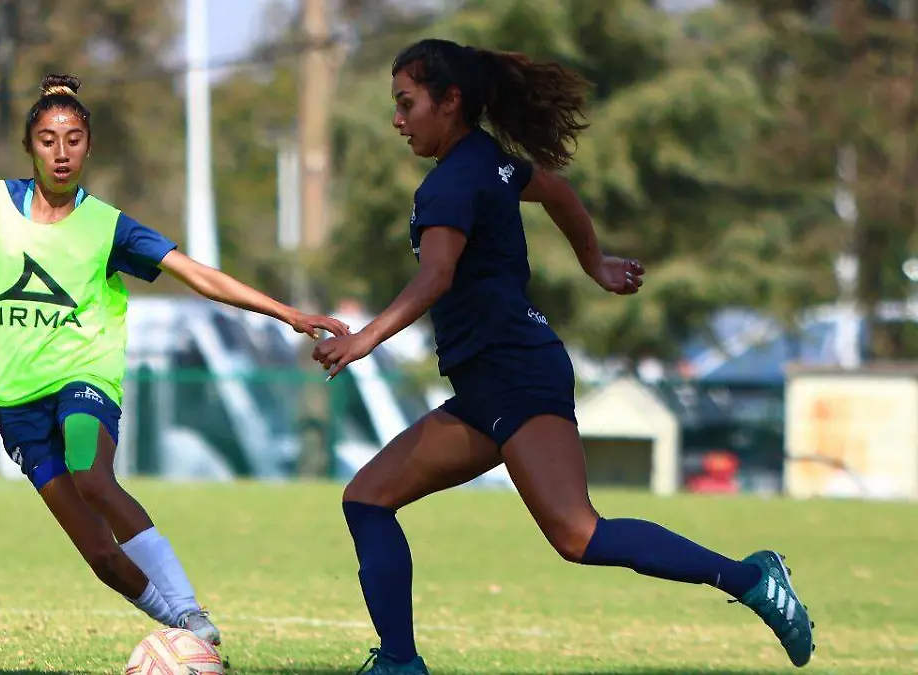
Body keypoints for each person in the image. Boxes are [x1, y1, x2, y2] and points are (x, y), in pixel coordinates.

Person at [311, 39, 815, 674]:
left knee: (579, 534)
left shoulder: (449, 185)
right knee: (367, 498)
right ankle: (399, 664)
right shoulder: (488, 162)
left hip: (513, 374)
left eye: (407, 103)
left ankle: (749, 578)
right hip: (491, 384)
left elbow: (436, 277)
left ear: (450, 101)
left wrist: (363, 340)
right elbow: (556, 191)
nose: (398, 119)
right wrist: (594, 264)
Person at [0, 73, 350, 647]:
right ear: (28, 145)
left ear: (89, 144)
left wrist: (287, 313)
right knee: (101, 558)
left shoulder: (109, 226)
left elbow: (200, 276)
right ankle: (190, 640)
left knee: (91, 473)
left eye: (73, 139)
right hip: (16, 403)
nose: (61, 153)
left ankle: (189, 611)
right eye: (47, 139)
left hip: (83, 380)